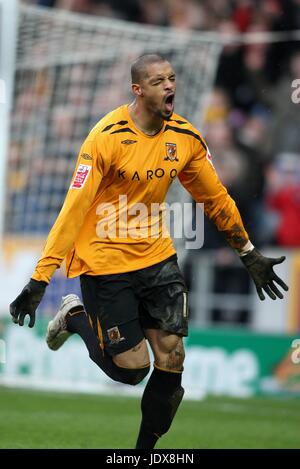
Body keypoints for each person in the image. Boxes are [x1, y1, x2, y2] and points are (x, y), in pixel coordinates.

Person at [9, 54, 288, 449]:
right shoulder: (105, 137)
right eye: (158, 81)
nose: (169, 86)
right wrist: (40, 278)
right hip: (104, 259)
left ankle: (143, 454)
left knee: (173, 357)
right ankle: (74, 316)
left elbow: (216, 198)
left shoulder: (186, 138)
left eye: (172, 78)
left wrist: (247, 252)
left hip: (156, 256)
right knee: (132, 370)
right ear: (137, 90)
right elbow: (73, 209)